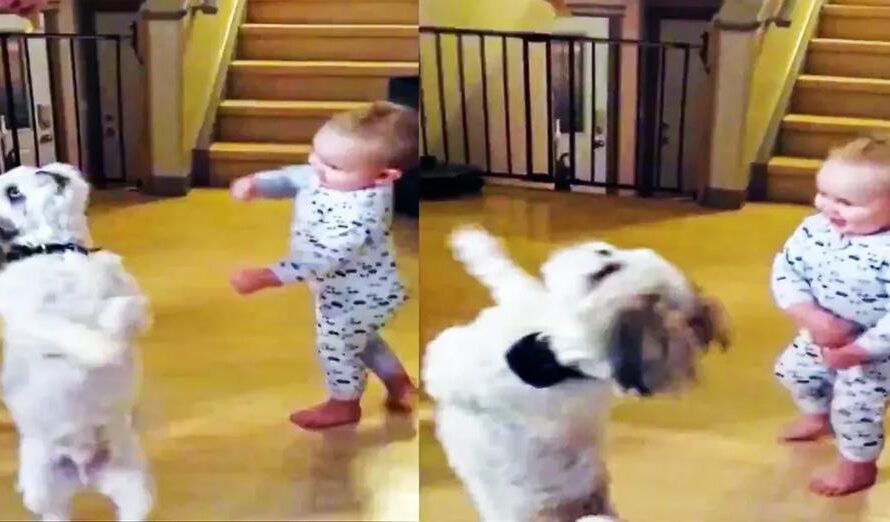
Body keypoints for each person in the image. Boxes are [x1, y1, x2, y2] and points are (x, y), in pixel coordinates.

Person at [229, 101, 418, 430]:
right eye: (315, 152)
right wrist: (259, 184)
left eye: (329, 164)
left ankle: (343, 403)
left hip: (360, 295)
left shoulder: (361, 212)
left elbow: (323, 256)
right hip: (350, 290)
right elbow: (295, 178)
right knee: (362, 339)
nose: (315, 165)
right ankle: (400, 385)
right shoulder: (335, 175)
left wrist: (269, 275)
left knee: (336, 345)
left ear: (384, 176)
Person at [772, 136, 890, 496]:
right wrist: (807, 314)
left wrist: (861, 350)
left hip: (876, 351)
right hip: (820, 332)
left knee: (856, 407)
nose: (828, 207)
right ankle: (816, 416)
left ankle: (858, 466)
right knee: (794, 372)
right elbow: (787, 270)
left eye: (846, 202)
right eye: (823, 193)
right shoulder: (815, 229)